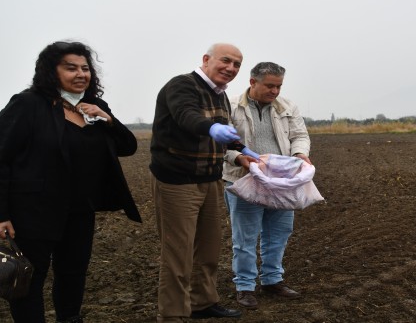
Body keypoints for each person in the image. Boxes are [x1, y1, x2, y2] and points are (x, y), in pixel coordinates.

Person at [0, 41, 142, 323]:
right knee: (31, 277)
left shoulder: (94, 107)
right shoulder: (28, 104)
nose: (81, 74)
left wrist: (108, 119)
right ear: (51, 72)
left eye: (85, 68)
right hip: (33, 210)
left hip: (79, 210)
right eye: (71, 68)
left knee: (73, 273)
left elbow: (128, 147)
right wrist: (1, 213)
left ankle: (69, 318)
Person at [150, 43, 245, 322]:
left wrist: (242, 153)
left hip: (212, 179)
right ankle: (173, 314)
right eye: (225, 61)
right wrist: (212, 127)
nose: (231, 68)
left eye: (237, 64)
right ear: (206, 60)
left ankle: (202, 302)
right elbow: (187, 116)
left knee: (209, 247)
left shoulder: (220, 95)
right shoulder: (181, 85)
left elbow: (224, 133)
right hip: (177, 182)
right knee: (178, 253)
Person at [223, 62, 311, 310]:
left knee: (279, 233)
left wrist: (300, 154)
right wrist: (238, 158)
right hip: (243, 180)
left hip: (282, 181)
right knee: (245, 237)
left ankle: (272, 280)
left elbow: (300, 136)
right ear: (253, 82)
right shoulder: (229, 106)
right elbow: (220, 143)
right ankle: (245, 286)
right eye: (270, 86)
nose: (275, 91)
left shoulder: (287, 107)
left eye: (279, 86)